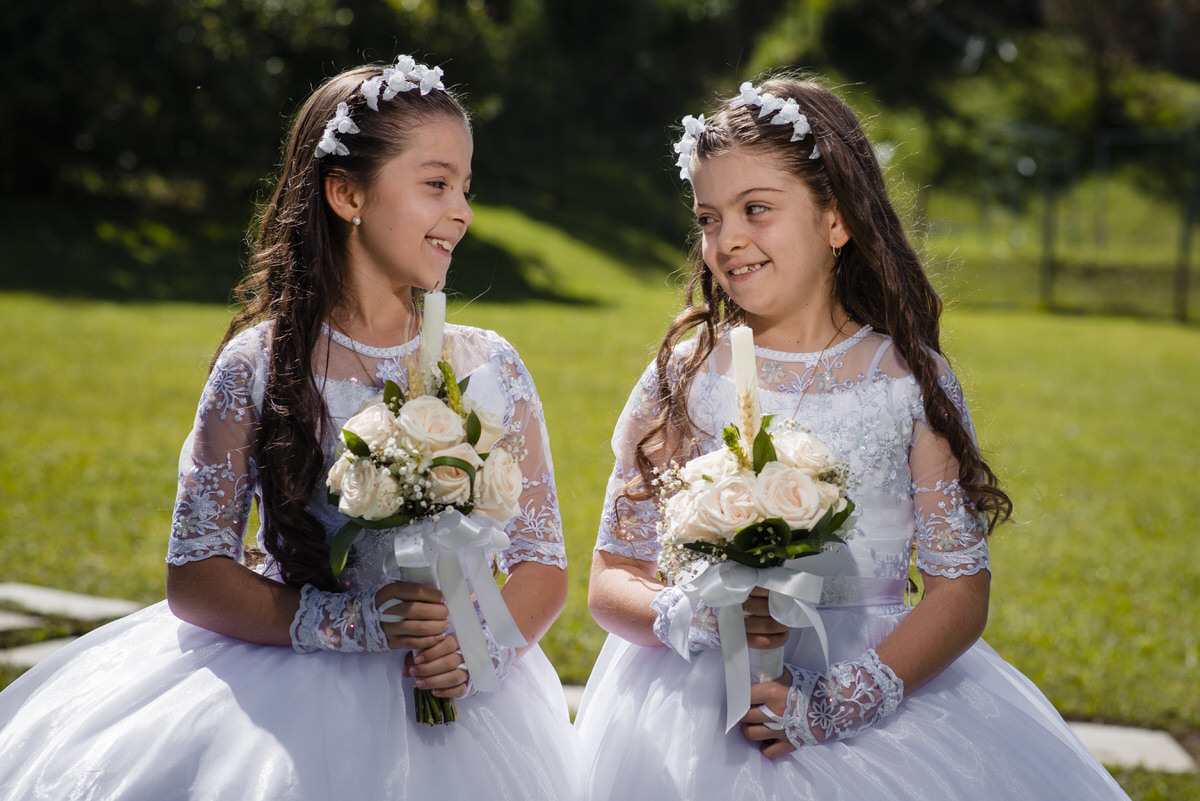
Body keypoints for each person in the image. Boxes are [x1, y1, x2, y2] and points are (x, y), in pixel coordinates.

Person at [0, 56, 583, 800]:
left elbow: (542, 561)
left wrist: (483, 649)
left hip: (467, 697)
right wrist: (354, 623)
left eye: (466, 187)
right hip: (301, 688)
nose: (462, 210)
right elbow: (197, 574)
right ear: (348, 194)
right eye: (437, 183)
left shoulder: (490, 365)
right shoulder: (259, 364)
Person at [575, 75, 1132, 800]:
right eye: (709, 217)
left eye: (756, 209)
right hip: (695, 713)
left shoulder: (905, 379)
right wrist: (691, 613)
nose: (728, 239)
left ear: (835, 221)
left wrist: (839, 701)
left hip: (873, 696)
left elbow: (959, 589)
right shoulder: (684, 377)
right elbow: (611, 576)